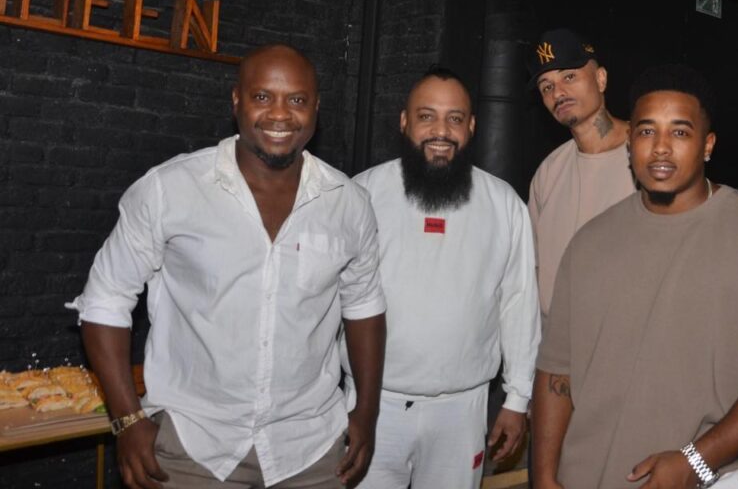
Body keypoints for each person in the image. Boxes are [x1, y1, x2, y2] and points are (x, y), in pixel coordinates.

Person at [68, 44, 387, 489]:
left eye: (297, 99)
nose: (280, 114)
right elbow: (105, 301)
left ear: (316, 107)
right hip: (192, 448)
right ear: (237, 101)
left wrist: (367, 413)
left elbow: (364, 307)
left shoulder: (348, 203)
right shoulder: (168, 190)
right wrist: (127, 421)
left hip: (311, 448)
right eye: (263, 97)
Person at [532, 64, 738, 489]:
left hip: (716, 475)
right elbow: (557, 372)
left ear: (707, 145)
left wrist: (693, 462)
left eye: (679, 132)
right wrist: (543, 476)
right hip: (591, 473)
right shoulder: (589, 244)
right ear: (630, 143)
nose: (661, 148)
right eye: (647, 131)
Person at [349, 65, 540, 488]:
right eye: (427, 116)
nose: (441, 131)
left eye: (455, 118)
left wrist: (517, 398)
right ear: (404, 121)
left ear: (471, 127)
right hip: (370, 407)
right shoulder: (360, 195)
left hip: (462, 411)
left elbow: (519, 302)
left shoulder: (504, 204)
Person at [526, 28, 636, 314]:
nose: (558, 92)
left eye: (569, 77)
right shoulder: (549, 172)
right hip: (555, 336)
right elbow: (531, 266)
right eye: (546, 86)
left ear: (601, 79)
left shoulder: (647, 157)